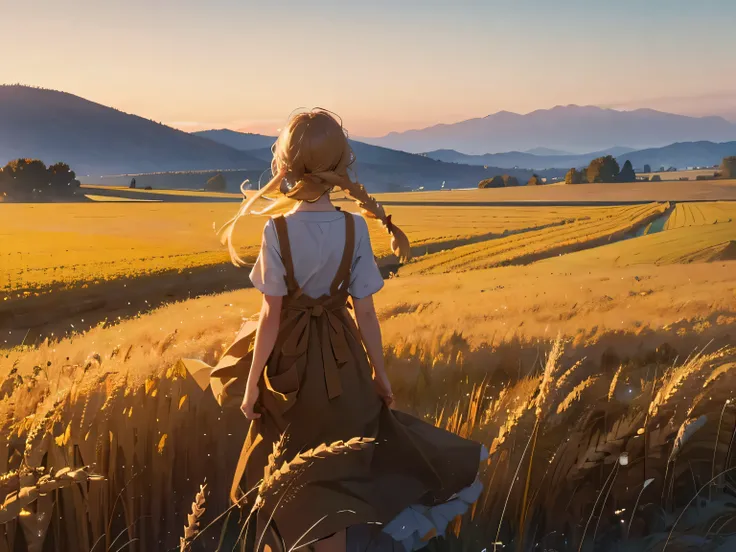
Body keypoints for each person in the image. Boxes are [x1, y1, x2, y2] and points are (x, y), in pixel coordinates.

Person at [217, 110, 486, 552]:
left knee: (290, 485)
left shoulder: (276, 230)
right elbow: (366, 315)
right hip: (345, 367)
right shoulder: (354, 226)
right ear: (342, 166)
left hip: (291, 371)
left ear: (284, 167)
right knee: (337, 485)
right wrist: (379, 376)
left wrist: (251, 387)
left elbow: (270, 315)